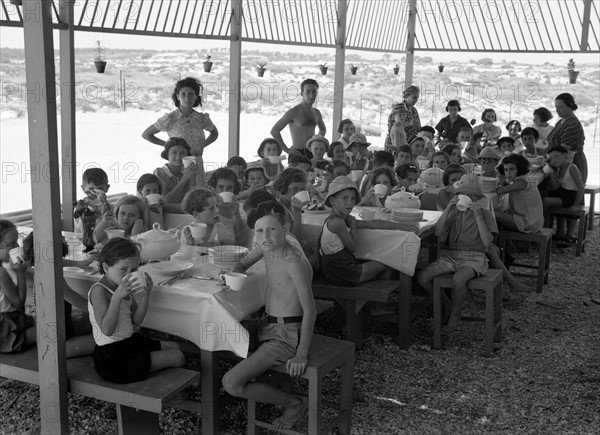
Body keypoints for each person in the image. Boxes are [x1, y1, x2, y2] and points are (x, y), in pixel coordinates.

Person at [222, 201, 316, 430]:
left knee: (231, 383)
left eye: (272, 229)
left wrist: (301, 354)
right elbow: (242, 263)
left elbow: (310, 310)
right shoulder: (265, 247)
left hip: (286, 334)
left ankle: (293, 402)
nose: (266, 235)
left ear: (285, 230)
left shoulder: (292, 260)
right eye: (260, 230)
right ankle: (267, 382)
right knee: (223, 334)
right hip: (267, 323)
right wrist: (232, 274)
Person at [89, 238, 184, 383]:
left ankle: (163, 380)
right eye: (123, 269)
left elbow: (136, 321)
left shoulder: (122, 285)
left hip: (129, 343)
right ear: (106, 267)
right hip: (114, 357)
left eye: (133, 270)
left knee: (175, 346)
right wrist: (117, 298)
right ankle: (169, 392)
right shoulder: (99, 291)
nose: (129, 274)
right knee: (177, 357)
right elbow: (107, 330)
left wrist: (146, 294)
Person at [417, 178, 497, 330]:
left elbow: (487, 242)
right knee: (422, 277)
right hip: (453, 255)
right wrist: (447, 209)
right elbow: (439, 232)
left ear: (478, 199)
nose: (467, 198)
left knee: (458, 279)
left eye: (471, 196)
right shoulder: (455, 214)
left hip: (475, 256)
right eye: (463, 195)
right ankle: (445, 303)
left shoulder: (485, 214)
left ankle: (455, 312)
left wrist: (478, 216)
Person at [19, 232, 95, 358]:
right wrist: (106, 312)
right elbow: (83, 305)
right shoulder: (52, 278)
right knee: (109, 338)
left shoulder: (42, 267)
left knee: (88, 321)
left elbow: (54, 259)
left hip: (55, 334)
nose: (65, 237)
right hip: (58, 346)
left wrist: (77, 264)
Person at [320, 176, 397, 287]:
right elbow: (353, 248)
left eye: (352, 199)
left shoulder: (340, 218)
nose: (350, 203)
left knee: (379, 259)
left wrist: (403, 226)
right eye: (345, 198)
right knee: (389, 261)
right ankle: (379, 301)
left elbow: (372, 224)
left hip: (334, 272)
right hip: (345, 274)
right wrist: (353, 225)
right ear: (332, 200)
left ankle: (375, 300)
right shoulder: (338, 223)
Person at [142, 77, 218, 186]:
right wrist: (167, 145)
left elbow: (214, 133)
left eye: (191, 94)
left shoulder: (201, 118)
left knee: (197, 197)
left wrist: (202, 145)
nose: (187, 98)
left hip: (197, 163)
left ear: (196, 96)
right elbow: (147, 134)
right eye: (183, 94)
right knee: (180, 195)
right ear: (178, 96)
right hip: (177, 164)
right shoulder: (170, 118)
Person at [0, 220, 36, 353]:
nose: (16, 247)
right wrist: (21, 274)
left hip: (9, 321)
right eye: (11, 244)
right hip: (6, 328)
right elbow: (19, 302)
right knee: (53, 332)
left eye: (17, 242)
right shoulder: (1, 273)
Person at [270, 78, 326, 157]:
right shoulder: (294, 112)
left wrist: (317, 141)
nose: (311, 95)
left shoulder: (317, 113)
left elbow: (323, 129)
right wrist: (287, 150)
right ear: (302, 93)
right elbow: (274, 131)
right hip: (297, 152)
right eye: (308, 92)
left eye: (314, 92)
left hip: (313, 152)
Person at [542, 146, 585, 243]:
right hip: (562, 193)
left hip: (571, 196)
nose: (555, 159)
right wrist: (552, 173)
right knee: (544, 194)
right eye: (552, 158)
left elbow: (581, 187)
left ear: (565, 155)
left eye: (557, 156)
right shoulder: (558, 169)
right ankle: (555, 230)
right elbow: (555, 187)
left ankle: (544, 228)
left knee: (546, 201)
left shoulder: (572, 167)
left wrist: (575, 205)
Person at [495, 154, 543, 233]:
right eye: (506, 170)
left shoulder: (523, 182)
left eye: (512, 169)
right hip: (524, 217)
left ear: (519, 169)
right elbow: (504, 184)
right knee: (496, 212)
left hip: (528, 222)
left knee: (491, 214)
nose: (508, 173)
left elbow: (500, 190)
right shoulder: (520, 179)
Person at [546, 93, 587, 183]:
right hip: (557, 160)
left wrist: (546, 159)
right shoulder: (560, 122)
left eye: (560, 107)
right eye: (556, 107)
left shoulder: (572, 123)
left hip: (571, 162)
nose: (557, 110)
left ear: (570, 106)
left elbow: (563, 149)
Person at [73, 168, 112, 251]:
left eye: (100, 189)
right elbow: (81, 231)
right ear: (83, 188)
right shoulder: (81, 207)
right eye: (91, 189)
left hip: (105, 246)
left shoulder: (111, 208)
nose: (95, 193)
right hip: (83, 245)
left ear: (107, 188)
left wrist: (105, 210)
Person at [153, 137, 198, 205]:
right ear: (167, 154)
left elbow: (191, 200)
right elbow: (166, 201)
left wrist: (193, 176)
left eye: (182, 153)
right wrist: (184, 179)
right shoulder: (160, 172)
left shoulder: (187, 171)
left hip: (183, 212)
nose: (178, 157)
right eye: (174, 153)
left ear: (187, 155)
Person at [384, 85, 421, 154]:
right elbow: (392, 126)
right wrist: (410, 124)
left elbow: (418, 126)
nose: (416, 100)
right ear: (407, 96)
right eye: (414, 97)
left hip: (408, 143)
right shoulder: (398, 108)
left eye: (417, 98)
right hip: (395, 143)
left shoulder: (414, 110)